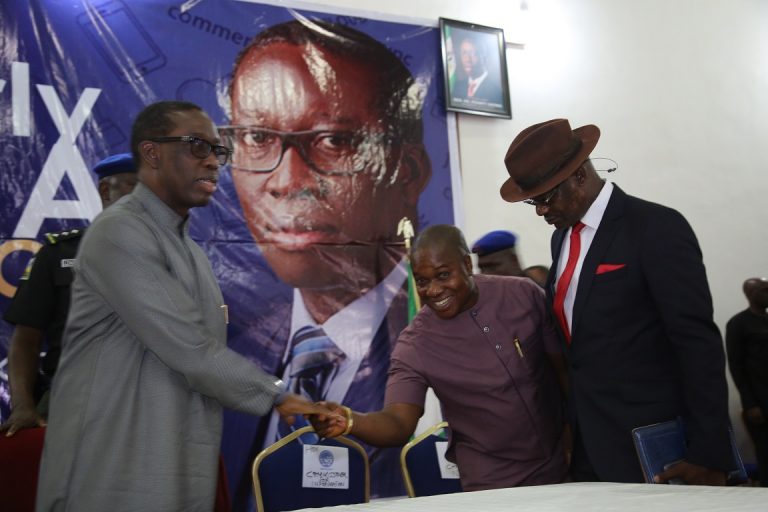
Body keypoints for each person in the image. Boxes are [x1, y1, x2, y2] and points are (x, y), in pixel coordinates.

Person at [34, 101, 335, 511]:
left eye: (218, 151)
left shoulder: (190, 252)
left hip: (178, 459)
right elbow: (189, 348)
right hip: (114, 466)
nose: (212, 162)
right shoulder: (119, 231)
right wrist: (277, 395)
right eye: (197, 146)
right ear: (152, 153)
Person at [220, 20, 432, 501]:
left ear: (407, 172)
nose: (285, 181)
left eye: (334, 140)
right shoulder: (238, 352)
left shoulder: (437, 334)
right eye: (256, 136)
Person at [499, 118, 734, 485]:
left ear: (579, 176)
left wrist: (709, 453)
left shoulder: (655, 228)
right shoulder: (562, 239)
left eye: (545, 198)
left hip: (657, 448)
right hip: (591, 448)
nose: (540, 211)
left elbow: (697, 344)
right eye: (533, 201)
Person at [311, 224, 568, 492]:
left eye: (443, 275)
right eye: (422, 281)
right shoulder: (415, 344)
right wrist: (350, 420)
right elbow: (398, 422)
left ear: (467, 265)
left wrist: (575, 433)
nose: (433, 290)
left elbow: (562, 369)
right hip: (493, 484)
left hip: (563, 465)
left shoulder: (523, 294)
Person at [1, 153, 138, 437]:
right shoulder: (58, 253)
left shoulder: (175, 260)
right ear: (106, 190)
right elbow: (26, 340)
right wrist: (23, 406)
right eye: (135, 186)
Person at [726, 277, 768, 486]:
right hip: (759, 399)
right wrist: (749, 403)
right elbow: (736, 365)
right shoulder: (739, 323)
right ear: (751, 294)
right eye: (764, 290)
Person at [451, 35, 503, 106]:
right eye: (464, 53)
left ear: (484, 57)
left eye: (473, 53)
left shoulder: (496, 92)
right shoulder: (457, 86)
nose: (467, 59)